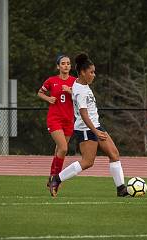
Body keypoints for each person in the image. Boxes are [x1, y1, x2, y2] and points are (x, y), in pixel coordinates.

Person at [49, 53, 128, 197]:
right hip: (86, 129)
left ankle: (121, 189)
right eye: (91, 72)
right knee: (87, 162)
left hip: (96, 125)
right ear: (82, 73)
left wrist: (97, 129)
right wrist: (95, 132)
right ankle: (56, 178)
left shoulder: (81, 85)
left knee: (114, 153)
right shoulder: (80, 91)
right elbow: (84, 114)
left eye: (94, 72)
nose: (94, 75)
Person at [38, 55, 76, 187]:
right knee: (63, 148)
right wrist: (48, 99)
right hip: (55, 119)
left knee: (58, 150)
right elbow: (40, 93)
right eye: (63, 63)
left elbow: (81, 98)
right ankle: (56, 180)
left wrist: (71, 92)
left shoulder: (75, 82)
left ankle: (51, 178)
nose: (66, 65)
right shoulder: (51, 80)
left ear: (71, 66)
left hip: (69, 120)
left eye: (68, 63)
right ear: (58, 66)